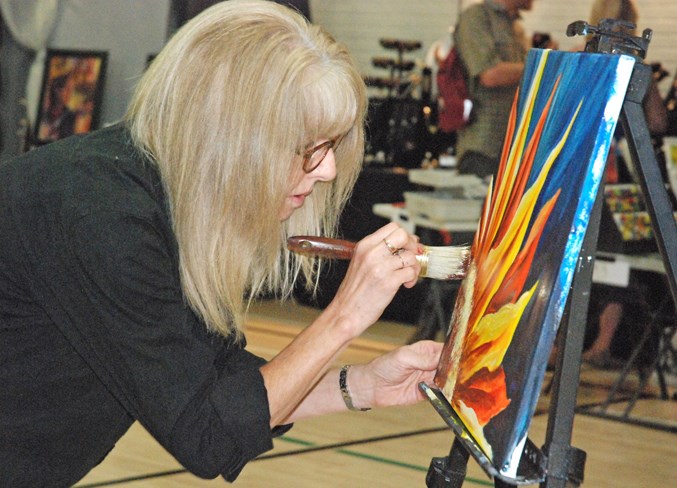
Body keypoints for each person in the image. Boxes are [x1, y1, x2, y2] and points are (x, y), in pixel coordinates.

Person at [0, 1, 444, 485]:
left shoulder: (158, 198)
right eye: (309, 147)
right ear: (232, 135)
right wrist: (344, 317)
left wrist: (361, 384)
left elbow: (221, 391)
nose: (329, 171)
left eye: (333, 147)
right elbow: (209, 435)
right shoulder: (101, 215)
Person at [582, 0, 669, 368]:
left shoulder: (635, 69)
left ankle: (601, 344)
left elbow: (657, 124)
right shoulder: (581, 62)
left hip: (619, 182)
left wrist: (643, 81)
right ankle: (574, 344)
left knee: (620, 260)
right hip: (592, 176)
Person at [453, 0, 534, 179]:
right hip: (483, 152)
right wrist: (542, 65)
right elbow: (490, 75)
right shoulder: (476, 17)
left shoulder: (514, 26)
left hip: (513, 151)